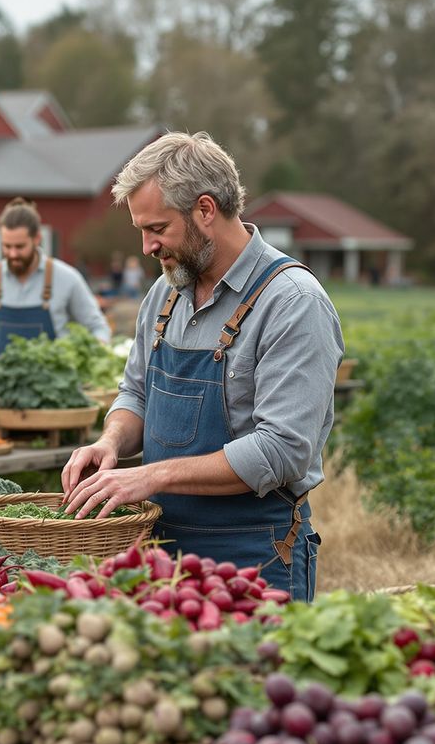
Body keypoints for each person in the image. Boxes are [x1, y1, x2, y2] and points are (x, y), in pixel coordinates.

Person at [61, 132, 344, 602]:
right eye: (142, 231)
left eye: (157, 229)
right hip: (159, 551)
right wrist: (110, 442)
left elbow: (283, 450)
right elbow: (136, 394)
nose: (147, 247)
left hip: (254, 555)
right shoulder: (165, 292)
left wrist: (151, 476)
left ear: (205, 210)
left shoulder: (292, 303)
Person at [0, 198, 111, 376]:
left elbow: (98, 327)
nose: (13, 254)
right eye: (7, 246)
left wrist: (90, 353)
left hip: (57, 388)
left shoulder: (68, 279)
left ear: (37, 238)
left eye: (20, 247)